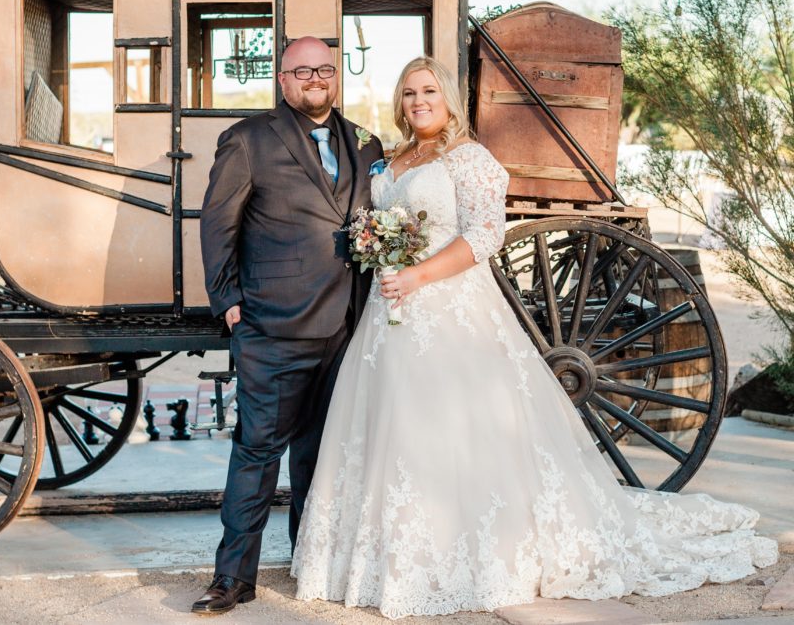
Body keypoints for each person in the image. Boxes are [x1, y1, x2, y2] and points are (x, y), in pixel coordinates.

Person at [290, 56, 779, 619]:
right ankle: (380, 557)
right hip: (389, 314)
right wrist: (380, 255)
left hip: (449, 309)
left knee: (453, 426)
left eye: (428, 90)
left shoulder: (469, 160)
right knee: (386, 424)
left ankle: (469, 554)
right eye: (408, 93)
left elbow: (485, 233)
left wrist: (417, 276)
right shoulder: (391, 161)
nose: (418, 101)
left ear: (448, 96)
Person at [196, 36, 384, 614]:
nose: (316, 79)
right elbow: (217, 223)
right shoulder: (250, 140)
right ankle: (233, 578)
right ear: (283, 80)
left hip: (348, 326)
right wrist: (227, 298)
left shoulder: (364, 141)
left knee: (320, 456)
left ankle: (310, 563)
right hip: (273, 325)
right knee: (257, 454)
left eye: (325, 69)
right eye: (303, 71)